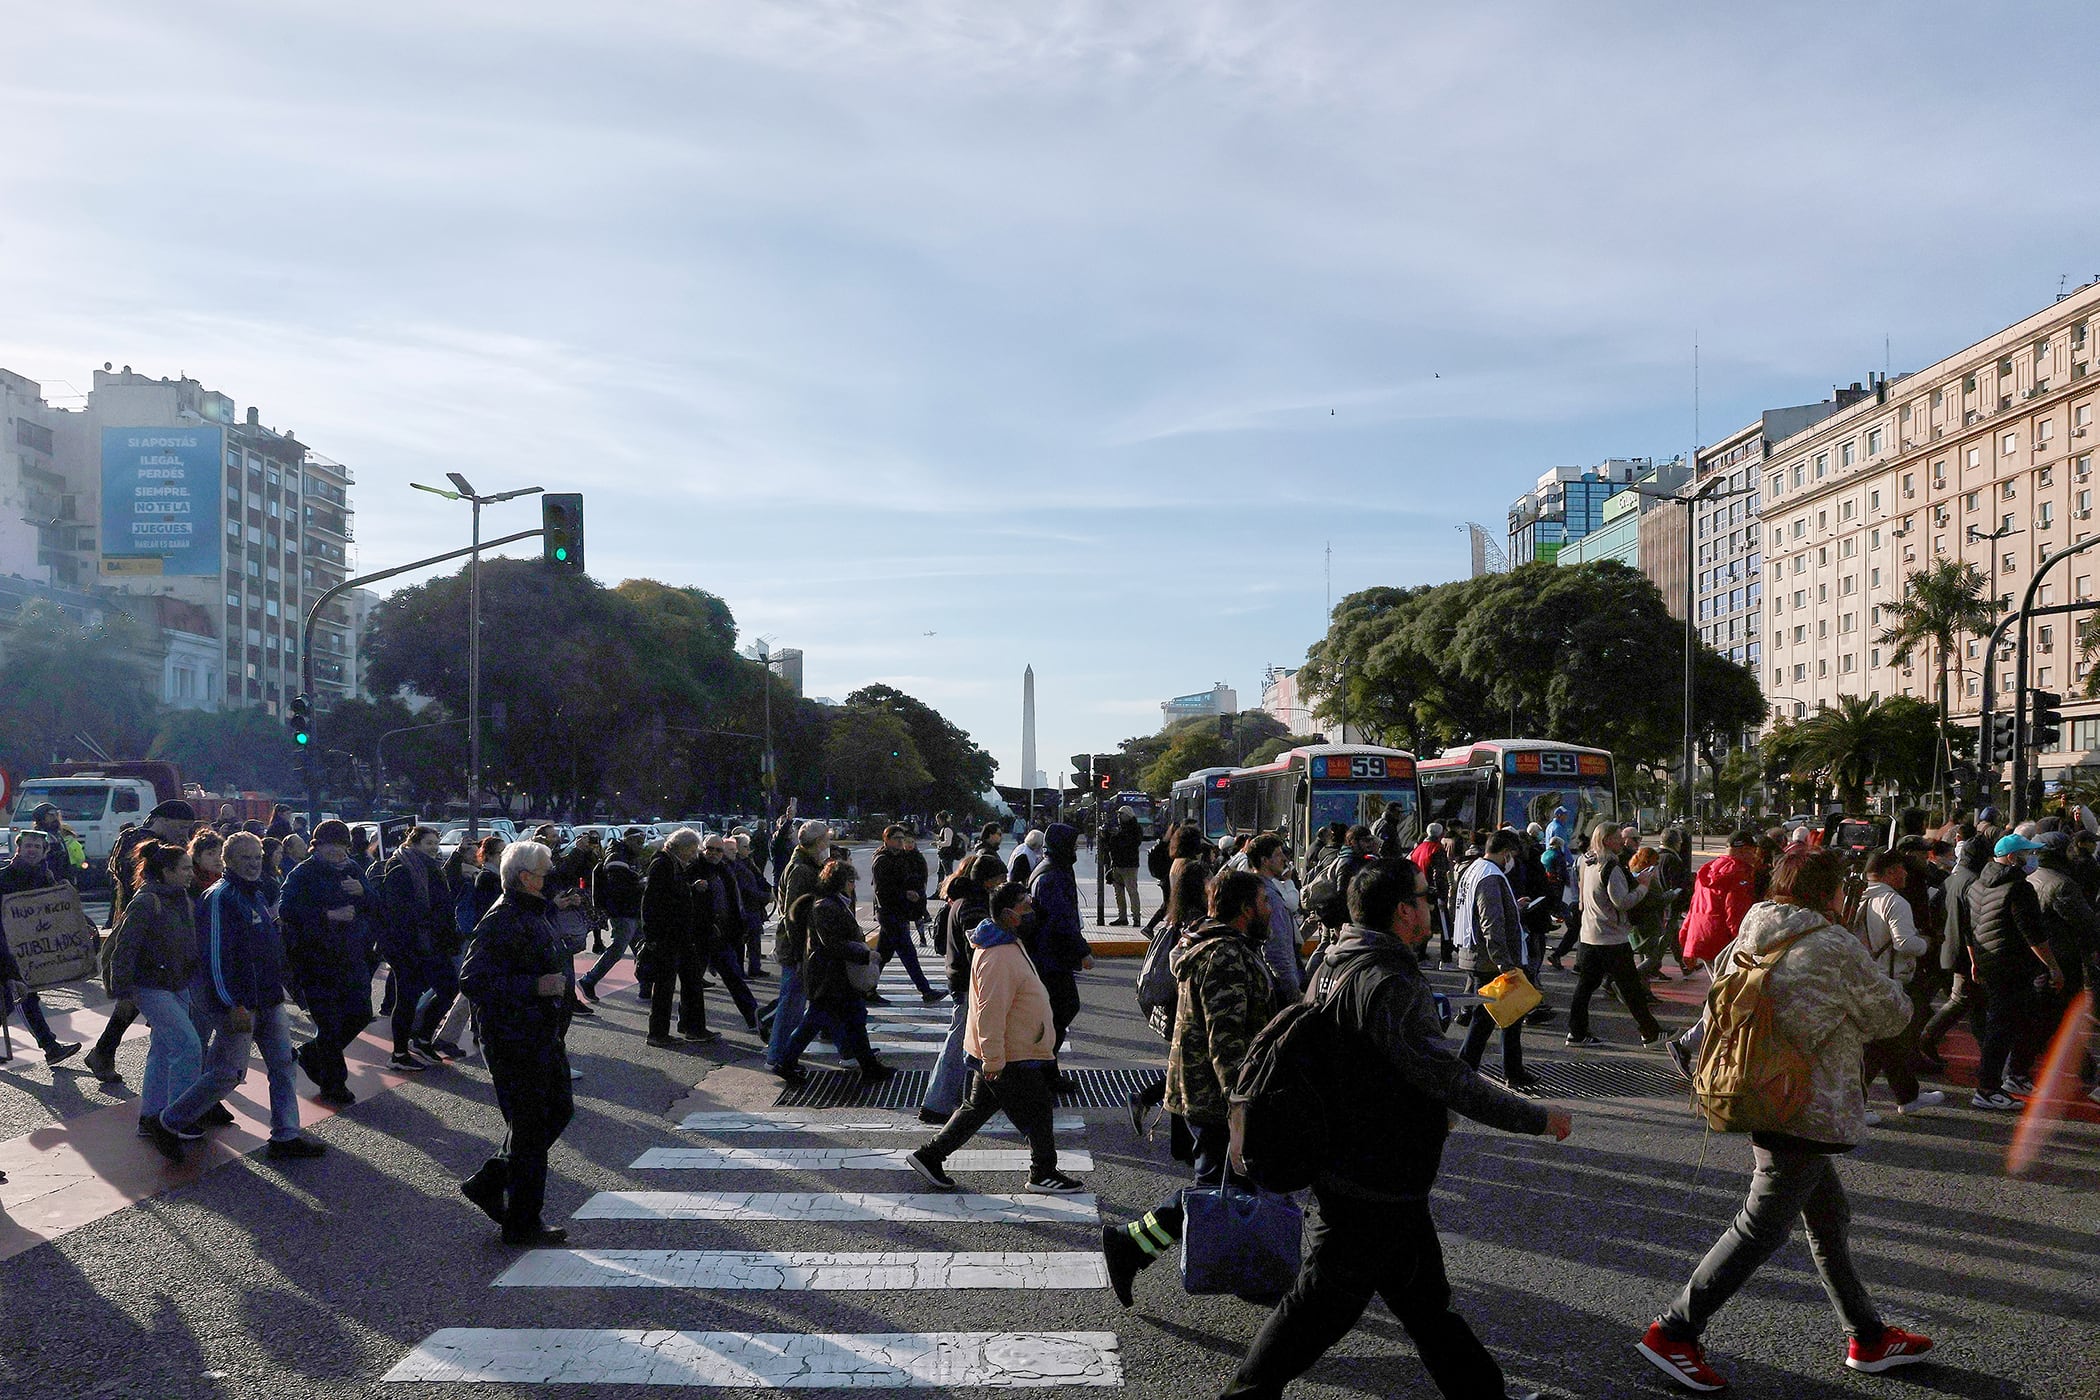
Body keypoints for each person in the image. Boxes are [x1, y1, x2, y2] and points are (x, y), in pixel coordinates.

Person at [1219, 859, 1569, 1400]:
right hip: (1375, 1174)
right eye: (1426, 898)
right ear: (1404, 911)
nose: (1432, 905)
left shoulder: (1337, 960)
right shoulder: (1390, 979)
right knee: (1321, 1303)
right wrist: (1537, 1118)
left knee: (1425, 1303)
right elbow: (1448, 1078)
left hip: (1362, 1165)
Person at [1636, 849, 1930, 1391]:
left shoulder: (1751, 930)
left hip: (1754, 1089)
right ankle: (1674, 1330)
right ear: (1829, 893)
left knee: (1828, 1216)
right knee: (1761, 1225)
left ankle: (1867, 1335)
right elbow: (1892, 1014)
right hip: (1806, 1104)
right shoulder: (1834, 945)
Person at [1102, 868, 1276, 1302]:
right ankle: (1127, 1245)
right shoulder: (1226, 956)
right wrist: (1241, 1104)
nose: (1271, 910)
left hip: (1204, 1090)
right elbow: (1227, 1038)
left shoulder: (1221, 947)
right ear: (1244, 909)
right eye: (1265, 902)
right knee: (1215, 1190)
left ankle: (1246, 1266)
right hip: (1215, 1097)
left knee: (1231, 1186)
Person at [149, 832, 325, 1161]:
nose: (253, 863)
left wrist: (290, 991)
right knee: (228, 1073)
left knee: (283, 1065)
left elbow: (270, 950)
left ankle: (286, 1135)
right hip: (241, 1003)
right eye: (245, 858)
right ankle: (169, 1121)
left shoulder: (254, 894)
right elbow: (214, 957)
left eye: (257, 857)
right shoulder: (220, 897)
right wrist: (232, 1004)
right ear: (228, 861)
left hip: (268, 999)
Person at [908, 880, 1084, 1194]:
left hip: (1007, 1048)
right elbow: (989, 1011)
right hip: (1009, 1053)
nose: (1031, 909)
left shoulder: (1006, 942)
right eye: (1024, 904)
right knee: (1039, 1106)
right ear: (1008, 914)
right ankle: (1043, 1171)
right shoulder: (998, 955)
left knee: (978, 1107)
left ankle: (930, 1156)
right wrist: (993, 1061)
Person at [457, 840, 575, 1247]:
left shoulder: (532, 911)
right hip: (514, 1037)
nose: (550, 878)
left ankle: (491, 1180)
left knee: (556, 1111)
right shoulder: (503, 917)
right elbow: (472, 979)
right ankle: (522, 1221)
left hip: (541, 1034)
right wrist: (534, 986)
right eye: (544, 872)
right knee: (529, 1128)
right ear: (525, 877)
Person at [102, 840, 200, 1134]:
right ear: (167, 871)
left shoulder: (180, 897)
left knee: (162, 1049)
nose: (190, 873)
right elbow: (124, 947)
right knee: (188, 1047)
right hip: (151, 986)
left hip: (176, 984)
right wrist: (122, 988)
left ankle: (151, 1116)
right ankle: (176, 1117)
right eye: (184, 868)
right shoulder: (147, 901)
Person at [279, 820, 377, 1105]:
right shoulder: (303, 873)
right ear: (317, 846)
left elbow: (375, 903)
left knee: (359, 1014)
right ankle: (334, 1084)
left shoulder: (353, 869)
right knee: (330, 1024)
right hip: (314, 960)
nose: (337, 852)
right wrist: (328, 915)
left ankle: (311, 1054)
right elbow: (286, 911)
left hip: (352, 956)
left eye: (341, 845)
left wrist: (363, 892)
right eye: (330, 845)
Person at [773, 859, 895, 1083]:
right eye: (850, 881)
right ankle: (785, 1062)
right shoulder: (826, 906)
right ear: (839, 882)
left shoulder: (835, 903)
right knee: (816, 1021)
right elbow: (831, 944)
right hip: (829, 975)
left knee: (854, 1018)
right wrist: (864, 954)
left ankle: (869, 1067)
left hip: (836, 975)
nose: (853, 885)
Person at [1966, 832, 2064, 1109]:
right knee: (2003, 1027)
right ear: (2012, 858)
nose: (2032, 859)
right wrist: (2054, 967)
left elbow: (1970, 927)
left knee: (2010, 1023)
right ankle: (1988, 1089)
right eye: (2028, 854)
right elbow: (2034, 935)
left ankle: (2010, 1078)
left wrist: (1975, 960)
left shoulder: (1977, 884)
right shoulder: (2019, 888)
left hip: (1990, 962)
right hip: (2013, 966)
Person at [1853, 850, 1941, 1120]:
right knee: (1879, 1045)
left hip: (1867, 974)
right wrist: (1927, 942)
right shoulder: (1895, 901)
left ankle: (1908, 1096)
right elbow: (1905, 943)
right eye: (1901, 869)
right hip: (1891, 979)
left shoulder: (1860, 896)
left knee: (1892, 1042)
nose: (1905, 874)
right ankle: (1856, 1104)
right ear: (1890, 872)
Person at [920, 854, 1007, 1124]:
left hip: (964, 980)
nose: (1002, 885)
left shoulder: (966, 900)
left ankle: (967, 1097)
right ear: (987, 881)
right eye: (999, 880)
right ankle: (938, 1102)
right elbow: (979, 946)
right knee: (959, 1043)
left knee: (970, 1041)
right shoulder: (972, 906)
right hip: (968, 983)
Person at [1566, 823, 1665, 1048]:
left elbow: (1584, 895)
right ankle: (1650, 1031)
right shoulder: (1611, 866)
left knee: (1585, 986)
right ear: (1606, 840)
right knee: (1630, 987)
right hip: (1611, 936)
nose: (1623, 841)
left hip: (1591, 933)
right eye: (1618, 838)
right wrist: (1643, 886)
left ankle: (1577, 1031)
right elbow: (1622, 902)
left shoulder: (1587, 861)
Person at [1454, 830, 1538, 1088]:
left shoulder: (1475, 869)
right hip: (1491, 959)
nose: (1511, 861)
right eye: (1511, 855)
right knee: (1487, 1018)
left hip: (1476, 952)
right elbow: (1492, 922)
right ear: (1505, 853)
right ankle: (1467, 1071)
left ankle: (1509, 1070)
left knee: (1507, 1015)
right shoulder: (1490, 876)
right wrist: (1506, 964)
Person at [0, 830, 85, 1066]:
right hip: (6, 951)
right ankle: (50, 1047)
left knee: (15, 1000)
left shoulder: (48, 878)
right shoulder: (3, 879)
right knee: (20, 998)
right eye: (28, 846)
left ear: (44, 851)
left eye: (37, 847)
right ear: (18, 849)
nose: (32, 850)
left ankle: (51, 1048)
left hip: (29, 953)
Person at [379, 826, 455, 1072]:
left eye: (436, 843)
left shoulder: (432, 867)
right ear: (414, 843)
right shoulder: (401, 868)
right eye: (429, 843)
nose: (434, 847)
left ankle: (422, 1039)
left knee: (449, 987)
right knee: (407, 998)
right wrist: (432, 922)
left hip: (432, 942)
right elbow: (400, 912)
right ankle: (399, 1053)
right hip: (409, 945)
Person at [1025, 822, 1094, 1082]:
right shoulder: (1052, 875)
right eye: (1073, 844)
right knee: (1063, 1009)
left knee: (1057, 1012)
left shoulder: (1053, 868)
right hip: (1050, 957)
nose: (1076, 849)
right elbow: (1060, 920)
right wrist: (1083, 951)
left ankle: (1046, 1067)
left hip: (1051, 955)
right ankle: (1041, 1066)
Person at [763, 820, 831, 1068]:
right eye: (827, 839)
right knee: (792, 1004)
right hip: (798, 948)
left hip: (802, 946)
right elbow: (794, 915)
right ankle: (777, 1055)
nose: (829, 843)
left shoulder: (806, 864)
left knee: (799, 1001)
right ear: (819, 842)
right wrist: (801, 951)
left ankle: (779, 1051)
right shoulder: (801, 869)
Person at [643, 829, 714, 1048]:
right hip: (668, 935)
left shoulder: (671, 864)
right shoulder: (662, 865)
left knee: (691, 981)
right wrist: (652, 936)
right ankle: (659, 1033)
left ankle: (693, 1027)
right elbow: (651, 902)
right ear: (681, 848)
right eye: (692, 851)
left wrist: (690, 889)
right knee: (666, 986)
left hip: (678, 934)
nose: (693, 855)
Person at [692, 833, 761, 1028]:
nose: (713, 853)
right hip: (703, 935)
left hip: (722, 934)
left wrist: (739, 926)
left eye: (718, 850)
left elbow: (733, 901)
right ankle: (688, 1023)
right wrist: (694, 888)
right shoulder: (695, 869)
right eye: (709, 849)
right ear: (702, 849)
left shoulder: (724, 870)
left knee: (734, 978)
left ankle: (754, 1018)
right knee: (693, 983)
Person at [870, 825, 941, 1003]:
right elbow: (882, 891)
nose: (901, 841)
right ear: (886, 840)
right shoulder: (882, 860)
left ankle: (866, 989)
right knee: (908, 953)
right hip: (889, 912)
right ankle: (925, 990)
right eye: (897, 838)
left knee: (883, 955)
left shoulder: (902, 857)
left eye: (902, 838)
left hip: (900, 911)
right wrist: (905, 894)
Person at [579, 829, 644, 1001]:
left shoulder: (624, 854)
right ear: (629, 840)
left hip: (631, 909)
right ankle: (589, 980)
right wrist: (640, 882)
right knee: (618, 949)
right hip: (623, 910)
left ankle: (647, 984)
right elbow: (619, 885)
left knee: (641, 948)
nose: (641, 845)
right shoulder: (617, 856)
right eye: (638, 841)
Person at [1246, 834, 1303, 1002]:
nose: (1284, 859)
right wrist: (1293, 991)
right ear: (1265, 861)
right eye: (1278, 855)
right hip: (1276, 988)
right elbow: (1276, 949)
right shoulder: (1269, 896)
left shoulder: (1254, 887)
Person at [729, 832, 770, 976]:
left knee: (754, 940)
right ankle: (746, 969)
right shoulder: (738, 866)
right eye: (745, 847)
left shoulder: (747, 862)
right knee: (748, 940)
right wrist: (765, 896)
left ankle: (754, 967)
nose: (749, 850)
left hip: (753, 906)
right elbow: (746, 889)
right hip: (748, 906)